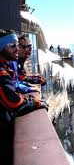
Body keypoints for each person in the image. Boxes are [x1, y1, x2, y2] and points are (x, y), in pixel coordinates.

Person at [0, 30, 48, 164]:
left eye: (17, 45)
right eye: (13, 45)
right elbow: (13, 102)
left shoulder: (5, 66)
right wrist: (35, 103)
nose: (17, 49)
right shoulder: (2, 72)